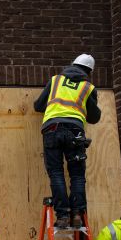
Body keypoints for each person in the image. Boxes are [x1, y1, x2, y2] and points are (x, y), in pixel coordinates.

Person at [34, 53, 102, 229]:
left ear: (72, 64)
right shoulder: (88, 87)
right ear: (89, 71)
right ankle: (78, 214)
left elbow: (38, 105)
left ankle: (63, 216)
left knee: (56, 172)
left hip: (52, 129)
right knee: (77, 175)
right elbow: (94, 117)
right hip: (75, 132)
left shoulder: (55, 80)